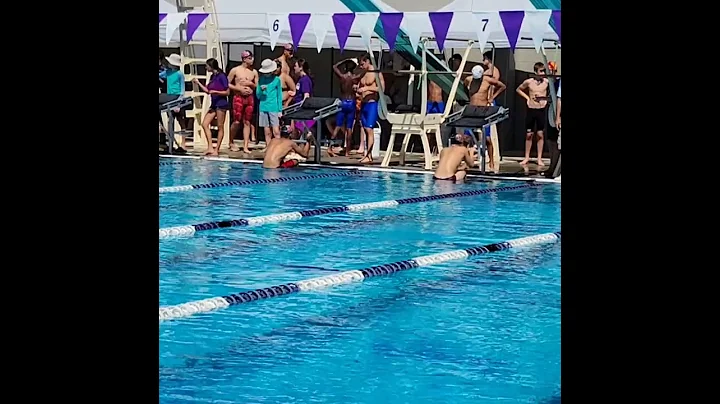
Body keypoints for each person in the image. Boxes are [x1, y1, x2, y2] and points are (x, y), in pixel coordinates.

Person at [463, 64, 506, 170]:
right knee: (466, 137)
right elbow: (464, 87)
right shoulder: (469, 79)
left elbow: (503, 86)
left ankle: (491, 161)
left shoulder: (487, 80)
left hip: (483, 110)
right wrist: (468, 97)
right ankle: (465, 161)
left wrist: (492, 97)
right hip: (472, 109)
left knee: (487, 138)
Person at [193, 58, 229, 156]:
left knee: (220, 126)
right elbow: (207, 91)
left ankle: (217, 149)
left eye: (207, 66)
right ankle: (210, 147)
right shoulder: (213, 76)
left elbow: (227, 92)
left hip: (221, 104)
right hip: (214, 104)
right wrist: (198, 83)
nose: (205, 67)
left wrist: (216, 92)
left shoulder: (222, 76)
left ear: (211, 66)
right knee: (204, 124)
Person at [516, 62, 549, 166]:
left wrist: (546, 100)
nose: (543, 73)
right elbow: (518, 89)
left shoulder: (547, 82)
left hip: (541, 109)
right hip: (531, 109)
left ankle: (539, 158)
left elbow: (553, 93)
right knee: (529, 134)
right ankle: (527, 157)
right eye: (541, 71)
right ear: (535, 72)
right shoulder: (529, 82)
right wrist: (527, 98)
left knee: (540, 134)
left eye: (544, 71)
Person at [330, 58, 364, 156]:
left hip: (343, 102)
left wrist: (344, 61)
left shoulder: (342, 77)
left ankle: (330, 147)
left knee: (338, 125)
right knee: (349, 127)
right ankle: (347, 151)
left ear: (345, 67)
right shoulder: (354, 78)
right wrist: (358, 65)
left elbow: (334, 66)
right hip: (351, 102)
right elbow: (364, 72)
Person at [356, 54, 385, 164]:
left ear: (368, 61)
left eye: (363, 64)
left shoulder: (376, 73)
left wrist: (367, 88)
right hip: (363, 104)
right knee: (364, 128)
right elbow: (360, 85)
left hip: (372, 104)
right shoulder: (363, 73)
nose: (361, 66)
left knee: (369, 129)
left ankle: (369, 155)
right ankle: (367, 155)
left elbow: (382, 88)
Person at [228, 51, 259, 153]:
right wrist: (238, 88)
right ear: (244, 59)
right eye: (250, 58)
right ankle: (231, 141)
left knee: (247, 122)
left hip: (249, 98)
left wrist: (251, 84)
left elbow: (257, 87)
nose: (252, 60)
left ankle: (245, 146)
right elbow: (227, 83)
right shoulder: (235, 70)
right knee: (237, 121)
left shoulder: (254, 72)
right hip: (238, 97)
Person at [158, 53, 189, 153]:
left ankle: (183, 143)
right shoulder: (168, 72)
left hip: (176, 97)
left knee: (181, 120)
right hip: (169, 97)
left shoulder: (180, 74)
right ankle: (170, 142)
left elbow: (182, 89)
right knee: (170, 120)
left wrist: (179, 103)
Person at [256, 59, 284, 143]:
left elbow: (279, 95)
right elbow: (258, 95)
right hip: (263, 107)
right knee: (266, 130)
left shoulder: (277, 80)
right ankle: (269, 147)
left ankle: (278, 147)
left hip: (273, 108)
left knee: (276, 130)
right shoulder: (261, 80)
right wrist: (261, 90)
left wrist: (280, 110)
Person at [292, 59, 315, 137]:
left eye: (295, 66)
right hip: (297, 109)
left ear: (301, 68)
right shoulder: (300, 79)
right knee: (298, 130)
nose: (294, 68)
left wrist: (302, 108)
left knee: (304, 131)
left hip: (301, 111)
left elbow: (306, 95)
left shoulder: (305, 80)